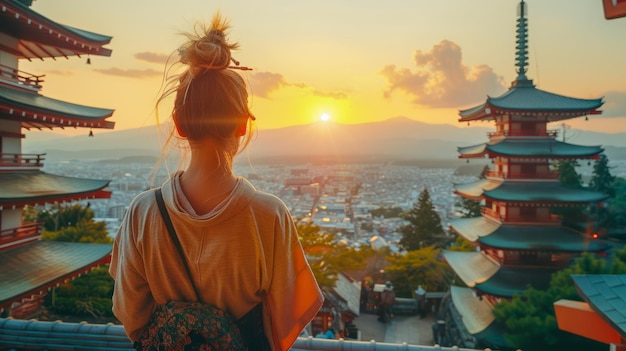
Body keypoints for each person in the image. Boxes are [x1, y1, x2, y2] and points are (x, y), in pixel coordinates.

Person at [109, 13, 323, 351]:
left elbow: (131, 316)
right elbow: (287, 320)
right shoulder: (268, 216)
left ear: (178, 124)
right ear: (241, 124)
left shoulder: (142, 213)